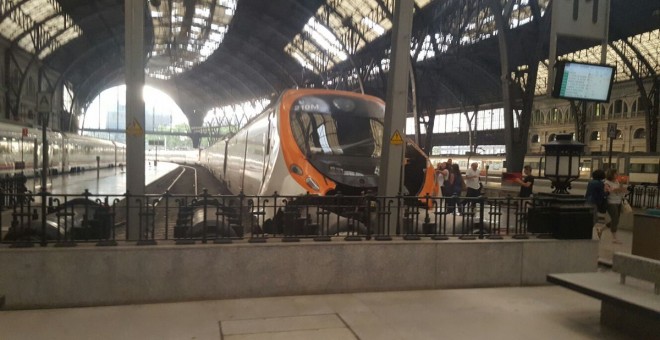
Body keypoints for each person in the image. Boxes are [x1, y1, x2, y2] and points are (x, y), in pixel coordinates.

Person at [603, 168, 626, 244]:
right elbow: (608, 191)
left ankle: (601, 229)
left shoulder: (617, 181)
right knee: (615, 218)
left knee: (616, 219)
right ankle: (614, 238)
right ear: (611, 174)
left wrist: (622, 184)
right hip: (611, 202)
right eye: (616, 174)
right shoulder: (606, 182)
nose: (617, 175)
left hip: (618, 201)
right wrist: (618, 189)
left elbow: (621, 190)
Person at [585, 169, 606, 238]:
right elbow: (602, 194)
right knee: (594, 218)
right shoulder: (600, 183)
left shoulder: (591, 182)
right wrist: (608, 193)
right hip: (594, 202)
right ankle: (589, 232)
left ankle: (588, 231)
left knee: (590, 216)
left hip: (588, 200)